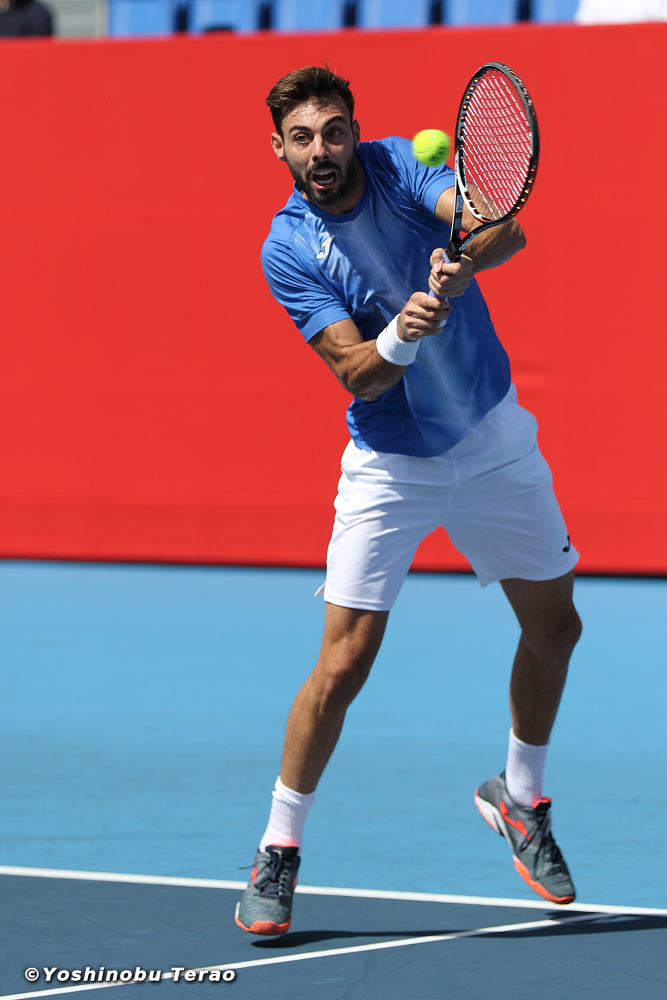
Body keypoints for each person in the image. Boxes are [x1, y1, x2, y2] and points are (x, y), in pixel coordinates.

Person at [235, 66, 582, 937]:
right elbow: (356, 372)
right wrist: (402, 329)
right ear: (278, 148)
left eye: (333, 131)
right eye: (302, 138)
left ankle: (520, 796)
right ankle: (278, 848)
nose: (322, 150)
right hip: (391, 465)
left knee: (555, 629)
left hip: (493, 437)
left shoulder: (397, 166)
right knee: (343, 664)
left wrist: (461, 259)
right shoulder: (288, 247)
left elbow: (504, 229)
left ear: (355, 132)